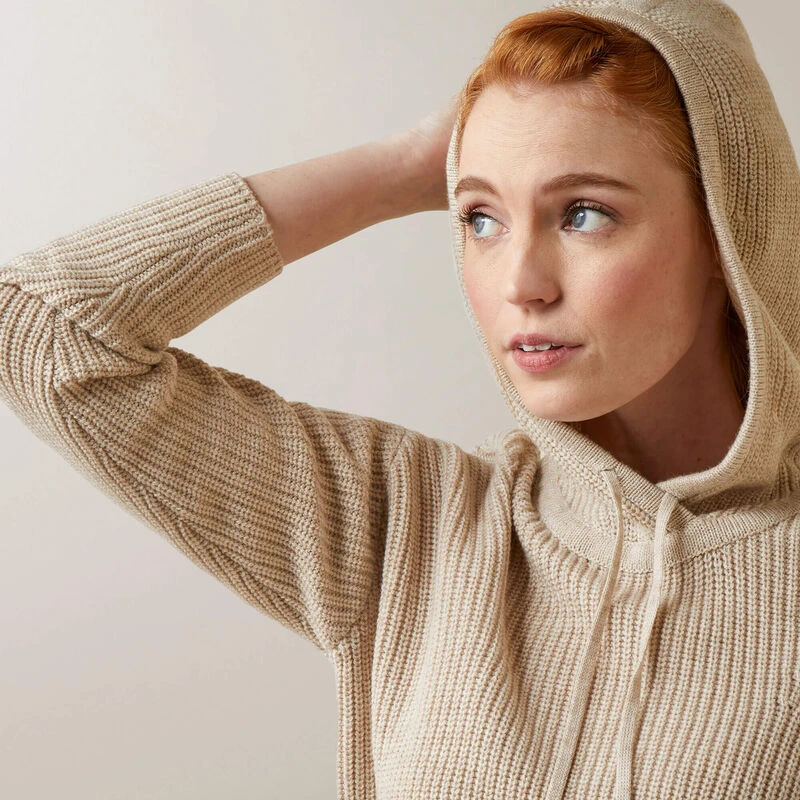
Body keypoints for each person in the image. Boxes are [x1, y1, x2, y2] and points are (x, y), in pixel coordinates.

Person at [0, 0, 797, 797]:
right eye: (481, 218)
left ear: (728, 229)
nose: (520, 282)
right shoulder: (412, 523)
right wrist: (408, 164)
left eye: (583, 214)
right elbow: (38, 332)